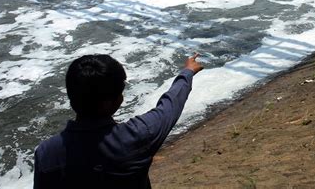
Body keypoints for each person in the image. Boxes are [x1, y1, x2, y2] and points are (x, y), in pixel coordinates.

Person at [34, 53, 203, 189]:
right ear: (112, 102)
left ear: (71, 97)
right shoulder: (137, 136)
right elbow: (170, 106)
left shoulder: (46, 153)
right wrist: (187, 72)